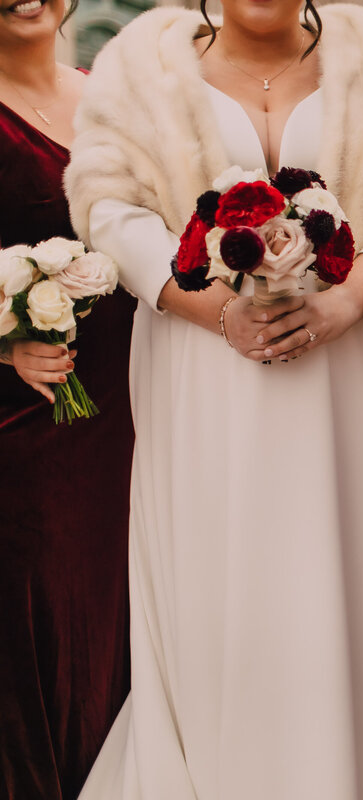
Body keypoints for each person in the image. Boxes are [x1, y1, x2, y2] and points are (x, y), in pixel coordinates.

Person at [63, 1, 363, 796]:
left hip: (348, 366)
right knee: (221, 575)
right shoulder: (142, 65)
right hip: (205, 366)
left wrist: (351, 302)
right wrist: (216, 311)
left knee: (345, 565)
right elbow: (107, 208)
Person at [0, 0, 133, 796]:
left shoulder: (103, 98)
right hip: (29, 419)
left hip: (127, 406)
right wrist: (4, 339)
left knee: (121, 606)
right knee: (44, 615)